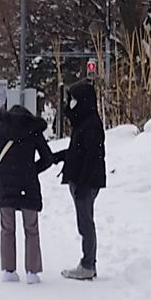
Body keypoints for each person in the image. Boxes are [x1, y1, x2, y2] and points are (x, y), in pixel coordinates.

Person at [0, 105, 53, 283]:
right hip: (28, 183)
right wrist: (33, 170)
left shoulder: (0, 128)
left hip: (5, 183)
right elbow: (48, 158)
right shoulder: (33, 130)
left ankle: (9, 270)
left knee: (7, 228)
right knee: (31, 228)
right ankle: (32, 272)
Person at [55, 82, 106, 280]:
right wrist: (59, 157)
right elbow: (78, 151)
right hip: (81, 178)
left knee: (86, 222)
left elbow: (92, 156)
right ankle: (87, 262)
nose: (70, 104)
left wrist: (84, 184)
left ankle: (88, 264)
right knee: (84, 221)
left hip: (86, 181)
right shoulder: (83, 121)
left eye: (73, 99)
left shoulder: (90, 123)